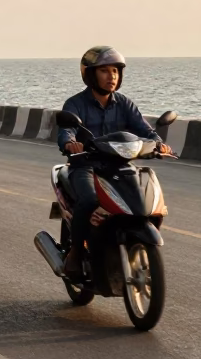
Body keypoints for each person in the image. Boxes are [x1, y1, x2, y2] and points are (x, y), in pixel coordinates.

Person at [58, 46, 173, 278]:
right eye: (104, 71)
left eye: (115, 71)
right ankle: (75, 255)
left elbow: (145, 130)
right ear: (90, 74)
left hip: (118, 166)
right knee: (90, 199)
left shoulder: (124, 104)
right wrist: (71, 142)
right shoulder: (75, 104)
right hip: (85, 166)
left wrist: (158, 144)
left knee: (144, 201)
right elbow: (66, 130)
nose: (112, 76)